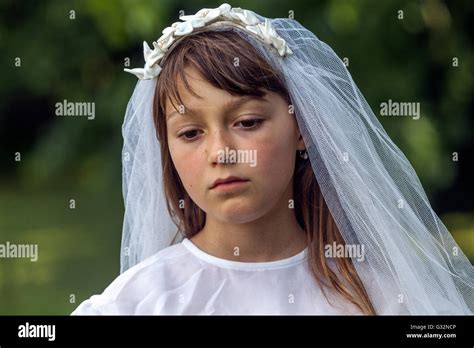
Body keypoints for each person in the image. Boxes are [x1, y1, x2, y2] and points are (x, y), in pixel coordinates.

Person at [71, 3, 473, 315]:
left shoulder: (380, 298)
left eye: (247, 122)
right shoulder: (138, 304)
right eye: (191, 133)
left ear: (302, 127)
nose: (222, 152)